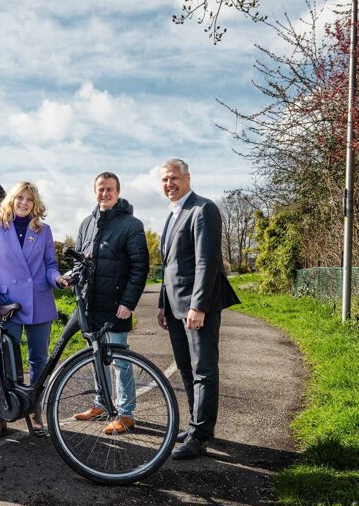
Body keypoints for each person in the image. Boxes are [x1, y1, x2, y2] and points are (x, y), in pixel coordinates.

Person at [157, 158, 240, 460]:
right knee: (186, 368)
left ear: (187, 178)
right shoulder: (172, 214)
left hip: (196, 307)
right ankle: (197, 425)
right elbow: (170, 266)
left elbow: (207, 261)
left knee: (203, 370)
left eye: (174, 178)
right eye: (165, 180)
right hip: (174, 307)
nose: (169, 184)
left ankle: (200, 436)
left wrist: (199, 306)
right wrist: (163, 304)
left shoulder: (203, 209)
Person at [0, 181, 64, 440]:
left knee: (39, 360)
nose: (24, 203)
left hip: (39, 301)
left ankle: (34, 410)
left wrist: (57, 279)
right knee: (4, 361)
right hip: (7, 302)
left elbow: (50, 264)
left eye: (29, 199)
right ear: (12, 200)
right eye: (20, 198)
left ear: (35, 204)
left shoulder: (43, 230)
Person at [69, 172, 149, 435]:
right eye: (101, 189)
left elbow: (139, 267)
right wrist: (73, 279)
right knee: (97, 358)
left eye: (110, 189)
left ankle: (126, 414)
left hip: (116, 305)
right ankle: (101, 404)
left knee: (120, 361)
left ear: (118, 192)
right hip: (90, 304)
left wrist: (128, 302)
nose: (105, 193)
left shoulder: (131, 224)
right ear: (95, 191)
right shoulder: (86, 223)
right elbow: (79, 261)